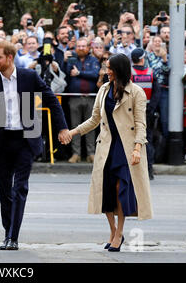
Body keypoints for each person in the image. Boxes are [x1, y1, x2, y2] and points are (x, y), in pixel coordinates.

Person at [0, 40, 70, 250]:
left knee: (19, 188)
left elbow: (51, 99)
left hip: (25, 140)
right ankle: (8, 233)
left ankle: (13, 237)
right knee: (4, 191)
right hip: (2, 141)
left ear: (10, 58)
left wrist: (62, 128)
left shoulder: (29, 77)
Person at [65, 53, 153, 252]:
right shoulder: (104, 90)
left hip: (127, 147)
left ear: (119, 70)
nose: (106, 71)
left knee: (120, 190)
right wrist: (73, 132)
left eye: (110, 68)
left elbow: (140, 124)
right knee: (105, 191)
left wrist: (138, 148)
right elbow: (94, 119)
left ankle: (120, 233)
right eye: (106, 68)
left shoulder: (137, 92)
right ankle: (112, 230)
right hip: (106, 145)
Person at [63, 37, 100, 163]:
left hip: (90, 98)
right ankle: (76, 153)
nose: (81, 48)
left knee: (91, 126)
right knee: (74, 127)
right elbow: (66, 74)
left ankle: (91, 153)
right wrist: (64, 61)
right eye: (78, 46)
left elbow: (95, 75)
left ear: (88, 48)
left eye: (83, 46)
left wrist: (79, 73)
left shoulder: (93, 60)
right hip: (74, 97)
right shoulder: (72, 59)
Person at [130, 48, 160, 180]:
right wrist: (150, 110)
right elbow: (156, 94)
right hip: (147, 112)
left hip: (132, 112)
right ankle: (148, 170)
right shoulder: (151, 73)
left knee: (132, 141)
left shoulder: (129, 74)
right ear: (143, 59)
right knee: (146, 140)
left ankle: (134, 170)